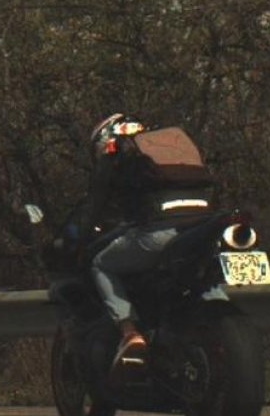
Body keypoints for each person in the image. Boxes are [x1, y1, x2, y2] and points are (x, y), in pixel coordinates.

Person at [82, 113, 214, 377]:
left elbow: (96, 205)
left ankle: (130, 332)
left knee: (100, 264)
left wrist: (80, 235)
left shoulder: (118, 159)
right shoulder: (168, 152)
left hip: (159, 232)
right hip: (201, 228)